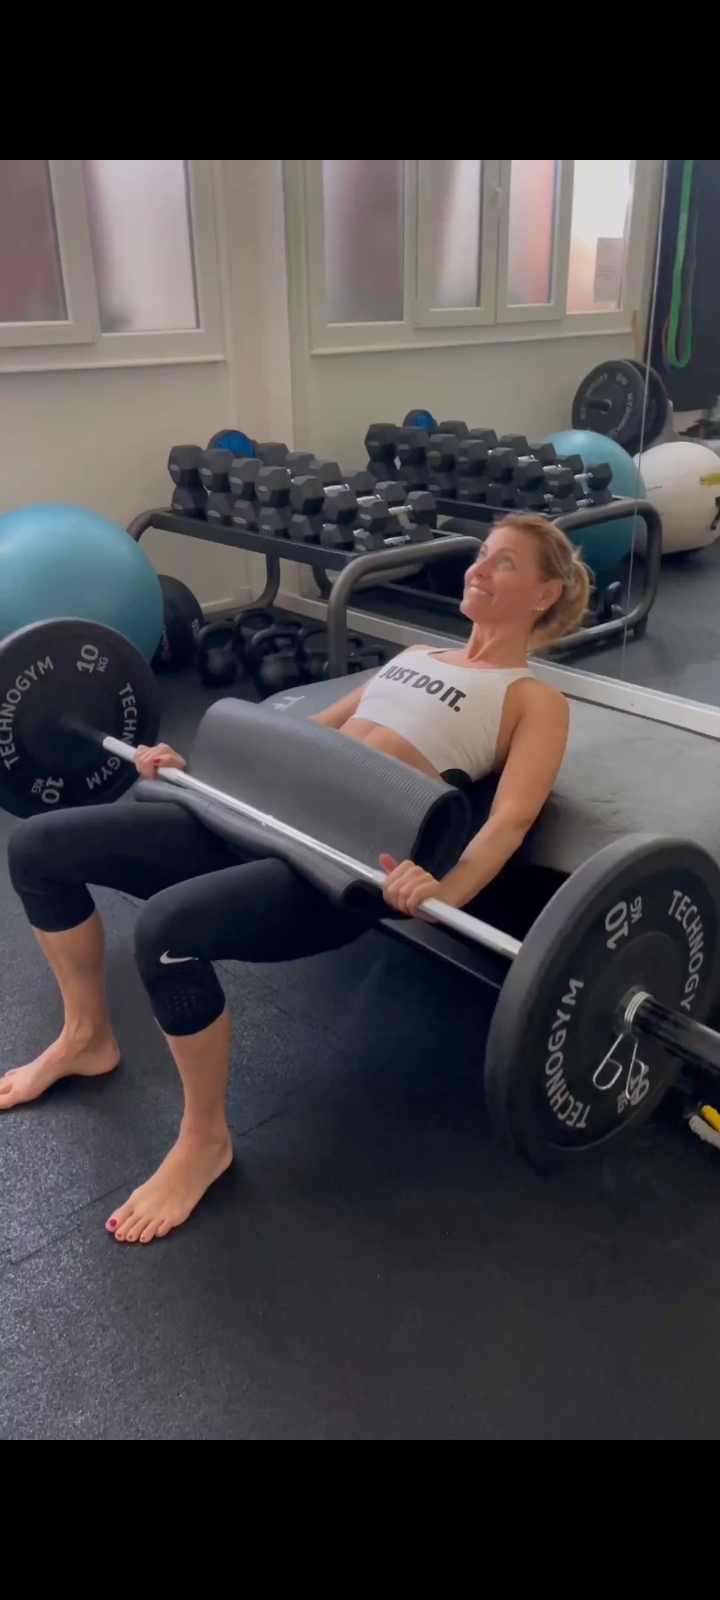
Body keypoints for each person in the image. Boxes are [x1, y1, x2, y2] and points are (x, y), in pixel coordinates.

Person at [1, 514, 589, 1242]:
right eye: (482, 556)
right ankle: (87, 1036)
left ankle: (205, 1141)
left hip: (335, 866)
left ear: (544, 593)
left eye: (503, 563)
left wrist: (444, 892)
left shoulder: (533, 700)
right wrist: (189, 769)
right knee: (38, 848)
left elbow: (510, 820)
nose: (478, 569)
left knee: (166, 933)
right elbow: (303, 738)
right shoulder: (414, 655)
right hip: (264, 814)